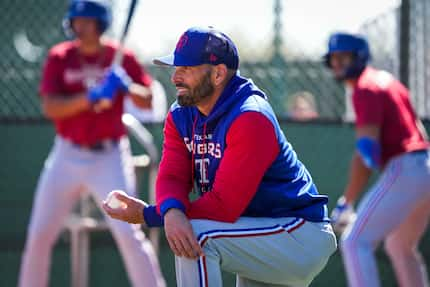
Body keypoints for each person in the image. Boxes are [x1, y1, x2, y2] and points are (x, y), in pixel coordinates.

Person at [103, 26, 337, 287]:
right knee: (191, 230)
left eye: (187, 69)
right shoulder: (182, 114)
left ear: (218, 74)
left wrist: (152, 214)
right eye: (175, 68)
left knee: (197, 237)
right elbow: (172, 175)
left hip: (297, 234)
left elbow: (224, 205)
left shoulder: (250, 116)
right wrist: (170, 210)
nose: (175, 78)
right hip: (256, 229)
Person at [18, 1, 165, 286]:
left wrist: (126, 87)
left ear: (100, 24)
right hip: (66, 154)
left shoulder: (121, 56)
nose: (79, 26)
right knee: (39, 233)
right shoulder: (60, 57)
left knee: (127, 233)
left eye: (86, 21)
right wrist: (91, 97)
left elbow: (147, 100)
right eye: (77, 21)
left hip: (108, 155)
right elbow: (51, 107)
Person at [324, 32, 430, 287]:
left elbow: (366, 152)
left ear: (359, 57)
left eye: (344, 57)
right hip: (424, 166)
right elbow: (418, 132)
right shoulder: (387, 80)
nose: (338, 63)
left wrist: (346, 202)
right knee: (399, 245)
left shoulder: (365, 87)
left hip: (406, 168)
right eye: (334, 58)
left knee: (353, 241)